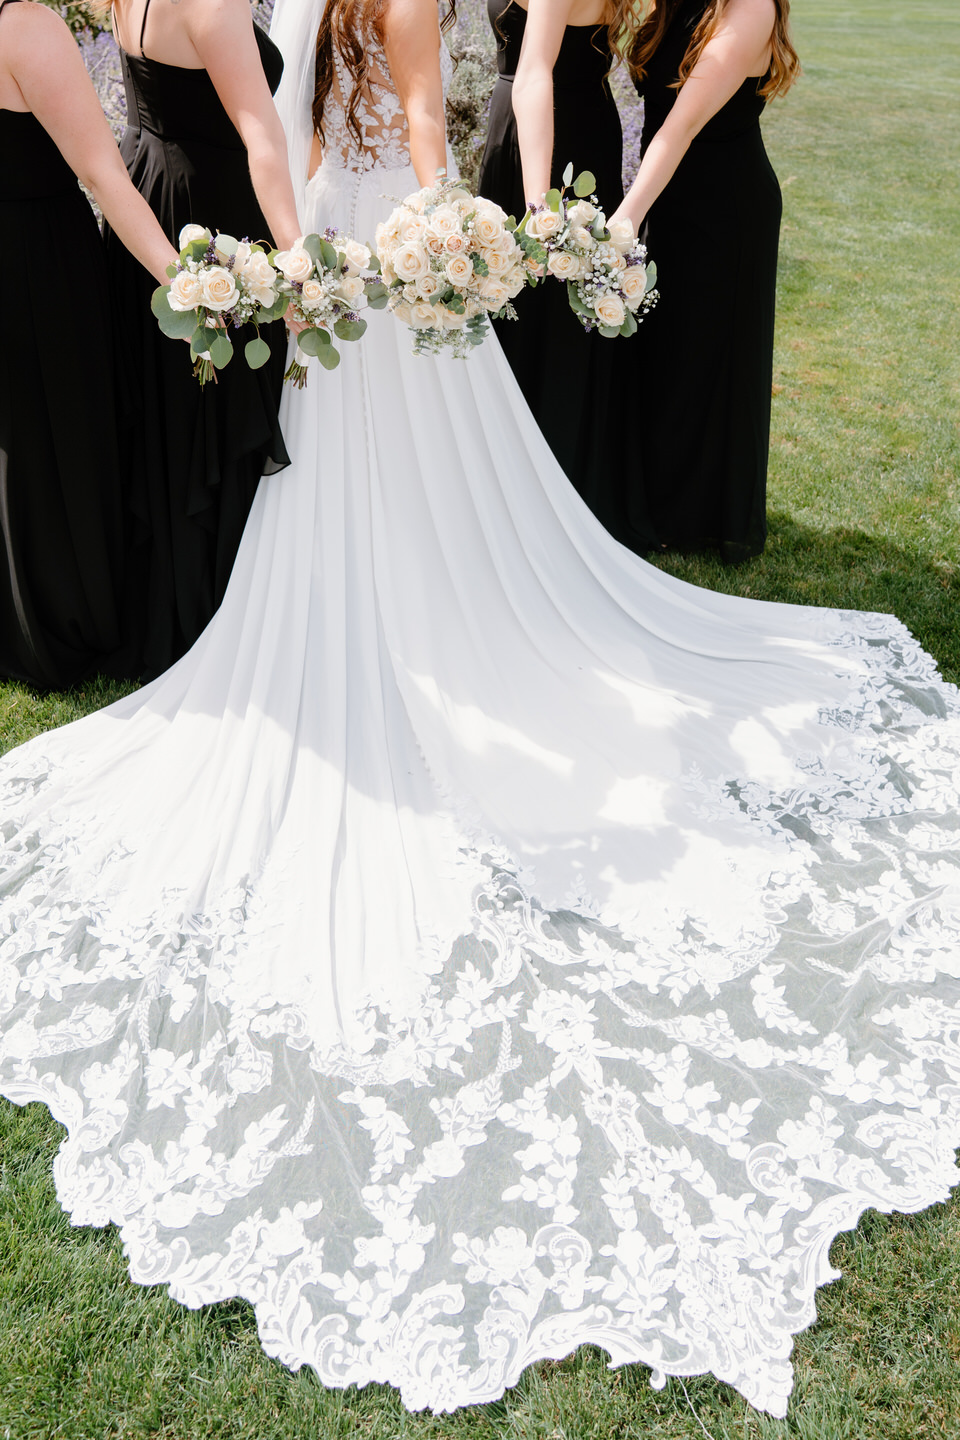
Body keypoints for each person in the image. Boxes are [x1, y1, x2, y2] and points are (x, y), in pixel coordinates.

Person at [2, 0, 960, 1421]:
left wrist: (385, 234)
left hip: (352, 224)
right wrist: (422, 229)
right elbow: (385, 121)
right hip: (365, 229)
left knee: (373, 474)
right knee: (385, 487)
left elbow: (360, 121)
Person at [103, 0, 304, 678]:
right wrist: (300, 265)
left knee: (169, 412)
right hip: (203, 217)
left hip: (147, 195)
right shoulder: (211, 3)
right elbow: (263, 141)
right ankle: (216, 606)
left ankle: (168, 603)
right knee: (211, 409)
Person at [0, 0, 178, 689]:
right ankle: (68, 615)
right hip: (40, 260)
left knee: (18, 440)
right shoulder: (26, 26)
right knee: (62, 431)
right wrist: (184, 280)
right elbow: (103, 174)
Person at [609, 0, 799, 561]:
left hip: (726, 212)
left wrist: (625, 219)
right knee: (668, 355)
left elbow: (682, 123)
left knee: (709, 360)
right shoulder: (678, 4)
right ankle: (662, 500)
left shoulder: (751, 9)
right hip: (673, 198)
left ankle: (705, 516)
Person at [476, 0, 625, 531]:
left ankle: (553, 487)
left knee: (550, 312)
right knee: (507, 306)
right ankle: (507, 479)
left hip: (558, 142)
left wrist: (542, 210)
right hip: (518, 125)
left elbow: (536, 69)